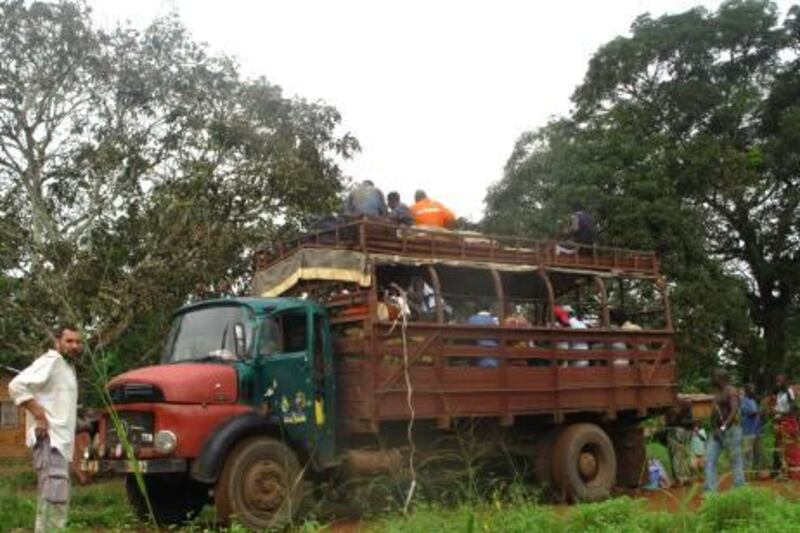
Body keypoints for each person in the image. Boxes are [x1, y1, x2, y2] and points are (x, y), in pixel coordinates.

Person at [9, 325, 82, 532]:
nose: (74, 346)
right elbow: (16, 386)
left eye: (78, 342)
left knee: (56, 498)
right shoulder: (52, 361)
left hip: (61, 443)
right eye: (69, 341)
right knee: (53, 496)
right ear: (57, 342)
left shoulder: (67, 367)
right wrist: (39, 415)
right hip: (50, 440)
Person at [705, 368, 745, 492]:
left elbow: (734, 411)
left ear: (720, 378)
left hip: (731, 431)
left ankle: (739, 489)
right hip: (717, 432)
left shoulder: (731, 391)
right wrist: (716, 428)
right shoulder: (717, 392)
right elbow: (714, 413)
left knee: (735, 460)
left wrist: (723, 427)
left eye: (714, 377)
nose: (712, 379)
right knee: (709, 459)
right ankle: (711, 491)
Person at [770, 374, 797, 477]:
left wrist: (779, 412)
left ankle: (793, 473)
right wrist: (774, 413)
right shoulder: (779, 393)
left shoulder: (789, 393)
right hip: (779, 422)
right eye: (777, 381)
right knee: (778, 445)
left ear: (785, 382)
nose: (778, 383)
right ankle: (779, 470)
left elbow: (793, 410)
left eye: (780, 381)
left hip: (788, 422)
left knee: (789, 446)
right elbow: (778, 408)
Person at [665, 399, 695, 485]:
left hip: (680, 435)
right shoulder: (676, 411)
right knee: (680, 456)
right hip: (678, 435)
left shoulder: (682, 411)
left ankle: (682, 478)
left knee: (680, 457)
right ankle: (682, 478)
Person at [467, 303, 500, 368]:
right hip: (495, 360)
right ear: (489, 309)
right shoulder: (495, 321)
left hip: (478, 360)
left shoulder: (472, 320)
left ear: (476, 309)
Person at [741, 383, 763, 475]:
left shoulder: (753, 401)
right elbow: (750, 413)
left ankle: (756, 473)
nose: (753, 391)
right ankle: (745, 473)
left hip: (757, 431)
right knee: (747, 454)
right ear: (746, 391)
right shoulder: (744, 401)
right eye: (751, 389)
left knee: (757, 453)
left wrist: (761, 413)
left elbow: (756, 414)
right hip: (748, 431)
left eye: (753, 389)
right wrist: (759, 411)